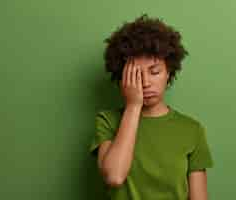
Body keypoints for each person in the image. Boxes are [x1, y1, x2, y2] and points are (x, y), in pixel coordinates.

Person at [89, 13, 214, 200]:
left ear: (168, 72)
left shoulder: (192, 130)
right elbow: (114, 177)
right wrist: (133, 106)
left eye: (154, 72)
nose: (146, 82)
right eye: (136, 75)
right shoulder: (107, 121)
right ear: (123, 77)